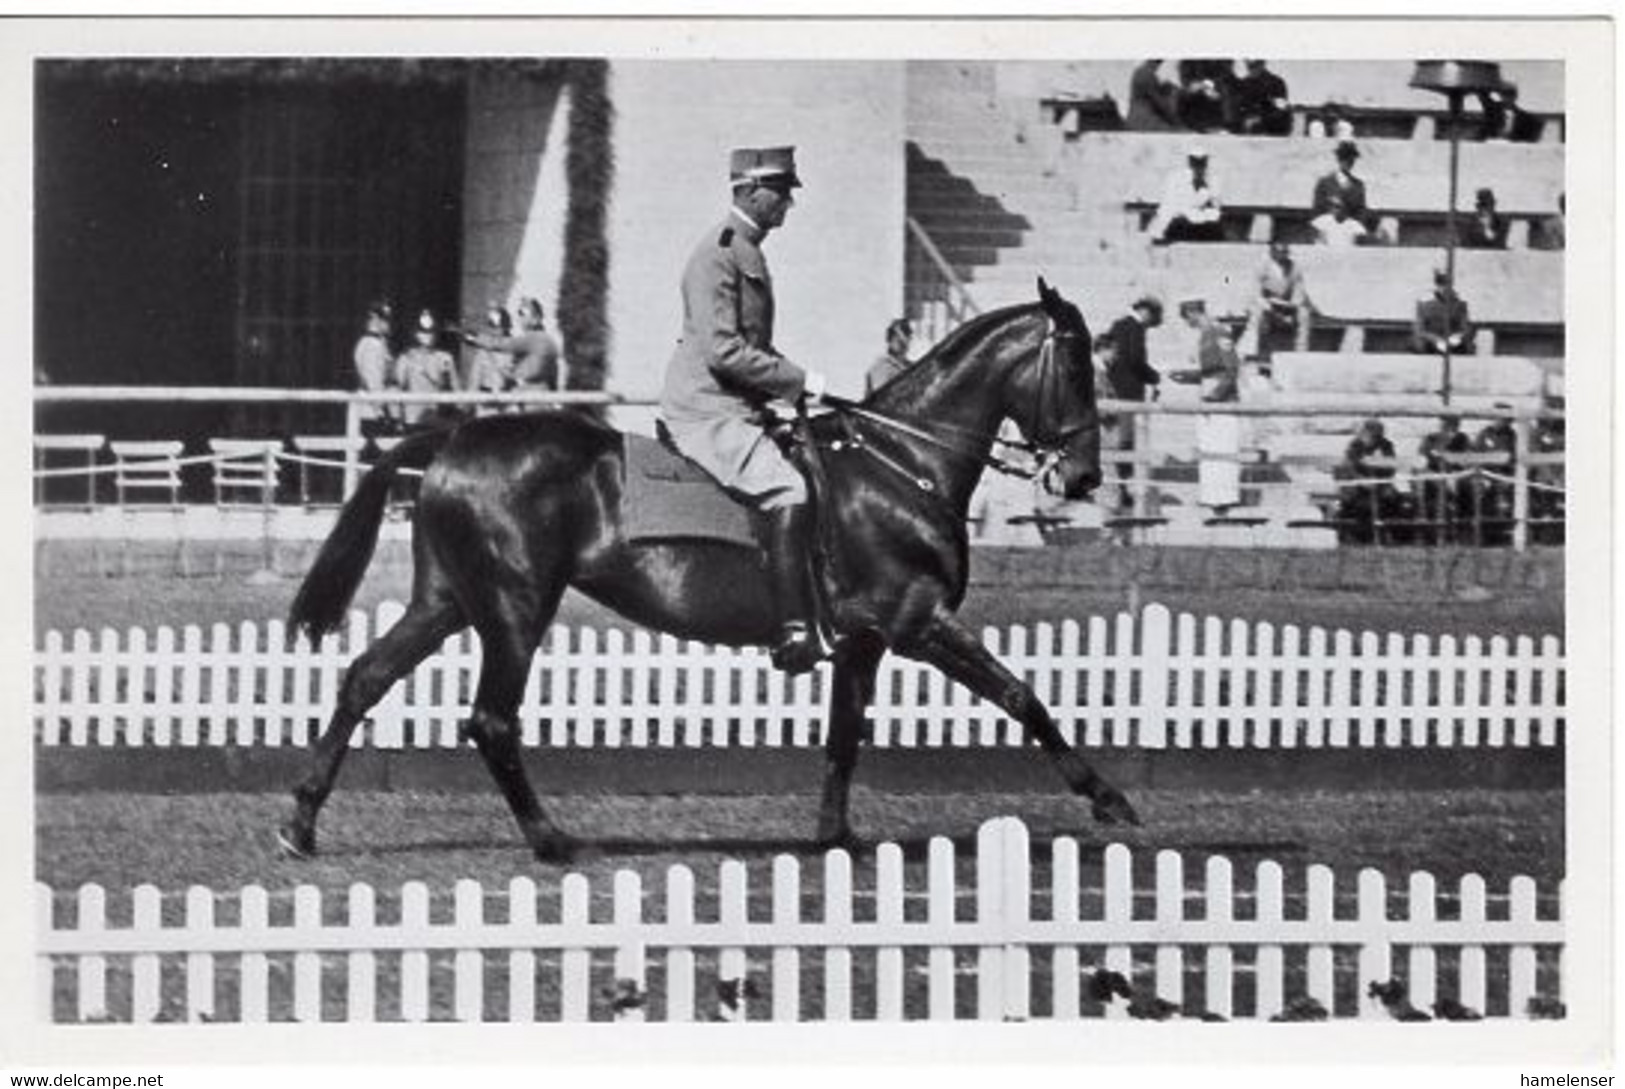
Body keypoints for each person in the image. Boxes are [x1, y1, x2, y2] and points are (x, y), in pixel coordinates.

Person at [658, 145, 828, 673]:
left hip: (736, 403)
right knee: (790, 487)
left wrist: (792, 390)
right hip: (705, 410)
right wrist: (799, 381)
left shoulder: (745, 250)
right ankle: (795, 627)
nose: (787, 204)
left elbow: (750, 345)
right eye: (781, 192)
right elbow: (723, 351)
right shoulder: (719, 252)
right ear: (751, 190)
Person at [1101, 296, 1164, 512]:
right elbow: (1136, 361)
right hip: (1128, 396)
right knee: (1127, 444)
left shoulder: (1117, 325)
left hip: (1114, 393)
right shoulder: (1135, 328)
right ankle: (1125, 493)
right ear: (1146, 311)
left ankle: (1121, 490)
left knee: (1120, 443)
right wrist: (1155, 378)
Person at [463, 296, 564, 395]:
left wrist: (471, 337)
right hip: (542, 401)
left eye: (522, 314)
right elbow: (553, 380)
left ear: (536, 319)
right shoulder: (549, 342)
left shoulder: (529, 340)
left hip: (527, 402)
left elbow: (498, 344)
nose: (519, 318)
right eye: (519, 313)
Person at [1239, 241, 1312, 360]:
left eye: (1285, 253)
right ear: (1272, 253)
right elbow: (1255, 293)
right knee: (1256, 315)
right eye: (1279, 253)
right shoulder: (1262, 266)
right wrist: (1272, 310)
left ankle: (1301, 354)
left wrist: (1291, 307)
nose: (1283, 256)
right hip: (1265, 304)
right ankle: (1246, 353)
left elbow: (1299, 291)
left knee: (1304, 314)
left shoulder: (1294, 267)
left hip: (1285, 305)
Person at [1335, 418, 1403, 543]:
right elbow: (1349, 467)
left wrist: (1380, 478)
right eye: (1371, 433)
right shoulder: (1355, 445)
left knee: (1394, 499)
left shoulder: (1386, 445)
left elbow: (1391, 467)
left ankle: (1389, 535)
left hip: (1380, 483)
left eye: (1377, 435)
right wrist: (1362, 480)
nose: (1374, 437)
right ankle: (1359, 536)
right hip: (1358, 485)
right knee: (1357, 503)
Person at [395, 308, 460, 430]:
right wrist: (398, 418)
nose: (427, 336)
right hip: (413, 418)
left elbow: (456, 389)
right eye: (423, 333)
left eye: (431, 332)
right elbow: (399, 389)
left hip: (437, 417)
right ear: (416, 334)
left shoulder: (444, 358)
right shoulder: (406, 358)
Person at [1146, 145, 1225, 243]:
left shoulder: (1213, 180)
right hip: (1178, 222)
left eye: (1202, 162)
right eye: (1195, 162)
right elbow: (1170, 205)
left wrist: (1204, 187)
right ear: (1190, 162)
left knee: (1214, 229)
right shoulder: (1175, 178)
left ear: (1206, 162)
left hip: (1201, 223)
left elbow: (1216, 207)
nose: (1198, 166)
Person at [1418, 414, 1471, 543]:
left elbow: (1466, 462)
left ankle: (1461, 531)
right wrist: (1436, 477)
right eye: (1446, 423)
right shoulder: (1430, 439)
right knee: (1435, 493)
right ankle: (1433, 534)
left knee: (1465, 491)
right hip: (1432, 477)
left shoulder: (1462, 439)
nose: (1450, 427)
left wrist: (1455, 475)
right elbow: (1420, 463)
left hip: (1456, 477)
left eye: (1454, 423)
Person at [352, 299, 399, 437]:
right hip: (374, 413)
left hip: (375, 409)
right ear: (374, 319)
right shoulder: (372, 345)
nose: (389, 324)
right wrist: (382, 413)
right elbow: (374, 382)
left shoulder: (378, 343)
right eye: (385, 319)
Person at [1310, 139, 1373, 232]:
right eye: (1344, 158)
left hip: (1349, 230)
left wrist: (1352, 226)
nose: (1347, 162)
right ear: (1338, 159)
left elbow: (1361, 213)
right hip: (1327, 229)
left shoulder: (1358, 186)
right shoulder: (1324, 183)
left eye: (1351, 159)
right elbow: (1317, 211)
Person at [1411, 267, 1475, 356]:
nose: (1444, 287)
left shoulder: (1460, 304)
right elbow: (1419, 330)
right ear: (1436, 285)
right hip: (1430, 345)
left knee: (1468, 346)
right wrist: (1436, 340)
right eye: (1440, 283)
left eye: (1447, 283)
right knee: (1419, 344)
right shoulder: (1424, 304)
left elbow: (1465, 328)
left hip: (1453, 345)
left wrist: (1456, 337)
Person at [465, 303, 516, 412]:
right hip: (486, 404)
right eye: (493, 327)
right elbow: (474, 380)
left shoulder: (513, 350)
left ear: (506, 328)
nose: (496, 331)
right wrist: (468, 406)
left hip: (506, 403)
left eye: (500, 327)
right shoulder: (482, 352)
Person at [1231, 59, 1292, 136]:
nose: (1251, 68)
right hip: (1248, 133)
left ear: (1263, 63)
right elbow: (1239, 110)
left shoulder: (1276, 83)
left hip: (1272, 132)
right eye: (1248, 65)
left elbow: (1281, 111)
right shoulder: (1243, 84)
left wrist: (1261, 120)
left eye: (1254, 65)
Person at [1176, 59, 1235, 133]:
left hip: (1217, 88)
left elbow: (1226, 75)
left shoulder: (1222, 60)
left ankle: (1223, 126)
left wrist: (1211, 85)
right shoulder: (1189, 61)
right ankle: (1195, 125)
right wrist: (1202, 86)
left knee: (1225, 92)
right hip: (1196, 89)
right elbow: (1186, 80)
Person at [1125, 59, 1182, 132]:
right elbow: (1160, 104)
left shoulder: (1138, 72)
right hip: (1145, 121)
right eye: (1158, 65)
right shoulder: (1148, 74)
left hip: (1133, 119)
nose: (1157, 69)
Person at [1477, 83, 1543, 143]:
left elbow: (1530, 140)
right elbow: (1481, 92)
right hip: (1492, 145)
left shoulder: (1526, 119)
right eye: (1504, 94)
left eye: (1510, 94)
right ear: (1500, 96)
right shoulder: (1492, 111)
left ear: (1515, 96)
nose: (1507, 97)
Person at [864, 318, 914, 396]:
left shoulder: (912, 367)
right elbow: (882, 397)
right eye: (896, 338)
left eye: (905, 339)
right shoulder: (880, 367)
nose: (902, 343)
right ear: (889, 339)